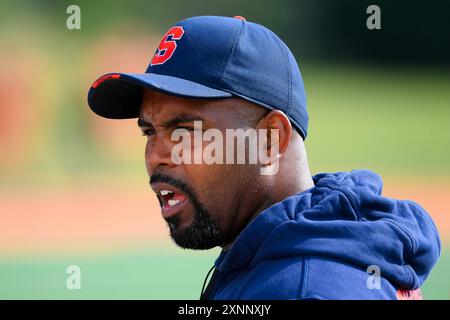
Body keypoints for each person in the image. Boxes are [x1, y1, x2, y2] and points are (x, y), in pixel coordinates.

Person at [87, 16, 441, 300]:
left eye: (185, 131)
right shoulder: (280, 252)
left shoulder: (311, 289)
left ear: (270, 139)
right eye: (149, 132)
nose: (157, 156)